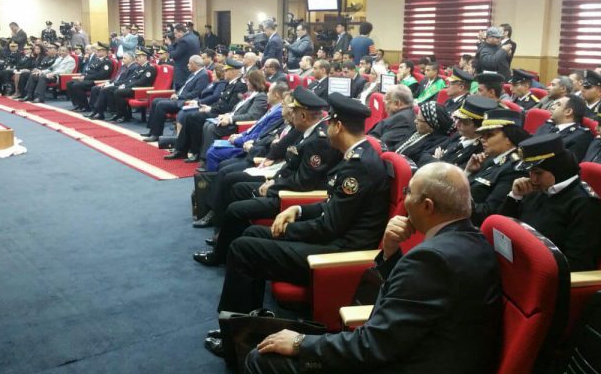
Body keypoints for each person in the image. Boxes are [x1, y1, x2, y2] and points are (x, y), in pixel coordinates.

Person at [243, 162, 502, 374]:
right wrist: (390, 252)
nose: (404, 199)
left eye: (409, 193)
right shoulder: (473, 241)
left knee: (263, 359)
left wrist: (302, 343)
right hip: (424, 351)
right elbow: (407, 308)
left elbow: (374, 346)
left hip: (409, 362)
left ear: (427, 206)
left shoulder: (433, 259)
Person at [208, 94, 391, 356]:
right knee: (252, 233)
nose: (326, 127)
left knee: (243, 249)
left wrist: (287, 229)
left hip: (340, 252)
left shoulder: (359, 166)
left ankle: (233, 339)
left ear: (338, 126)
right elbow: (332, 205)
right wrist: (299, 209)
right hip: (334, 238)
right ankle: (248, 320)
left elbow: (329, 227)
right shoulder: (356, 157)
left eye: (329, 123)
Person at [193, 86, 341, 265]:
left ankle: (220, 255)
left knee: (235, 209)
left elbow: (304, 183)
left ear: (303, 116)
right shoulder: (309, 133)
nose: (291, 115)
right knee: (237, 188)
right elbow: (290, 166)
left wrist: (274, 186)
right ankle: (226, 240)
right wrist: (273, 180)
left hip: (293, 196)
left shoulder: (318, 140)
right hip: (285, 186)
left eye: (294, 112)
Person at [500, 134, 601, 272]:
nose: (533, 179)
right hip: (514, 261)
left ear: (557, 169)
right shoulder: (538, 189)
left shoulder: (586, 206)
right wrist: (515, 196)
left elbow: (576, 264)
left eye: (538, 173)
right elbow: (503, 230)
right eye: (530, 172)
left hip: (539, 273)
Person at [166, 59, 248, 161]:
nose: (224, 72)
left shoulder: (240, 85)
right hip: (218, 111)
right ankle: (181, 149)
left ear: (234, 71)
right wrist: (208, 107)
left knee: (194, 117)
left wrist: (211, 109)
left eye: (226, 70)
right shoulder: (230, 83)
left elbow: (230, 107)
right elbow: (220, 101)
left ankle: (195, 152)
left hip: (224, 115)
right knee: (190, 116)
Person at [465, 109, 529, 226]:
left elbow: (488, 212)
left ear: (509, 138)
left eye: (489, 135)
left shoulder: (515, 169)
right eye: (482, 135)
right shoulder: (491, 159)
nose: (483, 139)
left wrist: (454, 201)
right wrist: (468, 172)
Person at [143, 55, 209, 141]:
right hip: (179, 98)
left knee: (161, 104)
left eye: (189, 63)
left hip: (185, 101)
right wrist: (176, 91)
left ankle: (156, 134)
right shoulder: (194, 73)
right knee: (155, 101)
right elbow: (185, 86)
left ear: (194, 64)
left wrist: (179, 96)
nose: (187, 65)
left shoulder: (203, 75)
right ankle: (152, 131)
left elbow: (196, 93)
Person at [427, 95, 496, 168]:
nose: (457, 123)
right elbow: (427, 153)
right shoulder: (459, 134)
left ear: (479, 126)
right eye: (457, 118)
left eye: (464, 121)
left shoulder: (480, 151)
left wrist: (437, 162)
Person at [535, 94, 593, 161]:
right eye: (553, 104)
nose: (552, 107)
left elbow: (566, 163)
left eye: (558, 105)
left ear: (568, 112)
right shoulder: (547, 125)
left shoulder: (581, 137)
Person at [394, 101, 452, 166]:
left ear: (431, 126)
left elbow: (421, 163)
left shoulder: (440, 141)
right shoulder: (417, 131)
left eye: (419, 120)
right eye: (416, 118)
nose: (415, 121)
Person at [86, 52, 141, 120]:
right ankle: (95, 110)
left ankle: (100, 112)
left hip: (123, 86)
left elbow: (127, 81)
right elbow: (116, 78)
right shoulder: (123, 66)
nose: (122, 60)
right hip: (116, 84)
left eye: (125, 58)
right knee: (95, 88)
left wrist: (112, 84)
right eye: (122, 58)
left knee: (105, 90)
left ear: (131, 59)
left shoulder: (134, 67)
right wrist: (107, 82)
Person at [111, 48, 157, 123]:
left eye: (139, 56)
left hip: (141, 90)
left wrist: (126, 86)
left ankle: (124, 115)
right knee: (113, 89)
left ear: (145, 57)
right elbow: (131, 79)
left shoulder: (150, 68)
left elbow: (141, 82)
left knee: (118, 92)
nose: (137, 58)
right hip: (133, 88)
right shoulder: (139, 67)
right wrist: (124, 85)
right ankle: (120, 114)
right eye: (137, 56)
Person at [66, 42, 113, 111]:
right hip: (88, 79)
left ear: (104, 52)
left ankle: (85, 106)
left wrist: (85, 77)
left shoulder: (107, 62)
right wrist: (83, 75)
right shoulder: (97, 59)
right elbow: (87, 70)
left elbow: (101, 75)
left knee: (76, 85)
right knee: (69, 83)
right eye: (97, 50)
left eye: (99, 51)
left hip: (96, 81)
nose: (96, 52)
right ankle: (78, 104)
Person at [366, 84, 416, 150]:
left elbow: (382, 145)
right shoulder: (405, 115)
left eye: (387, 101)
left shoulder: (402, 120)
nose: (385, 105)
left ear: (397, 104)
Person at [168, 23, 202, 89]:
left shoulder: (183, 41)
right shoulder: (194, 36)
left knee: (179, 91)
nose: (175, 36)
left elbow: (174, 55)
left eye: (175, 33)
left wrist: (169, 45)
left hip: (182, 71)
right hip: (192, 69)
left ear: (180, 32)